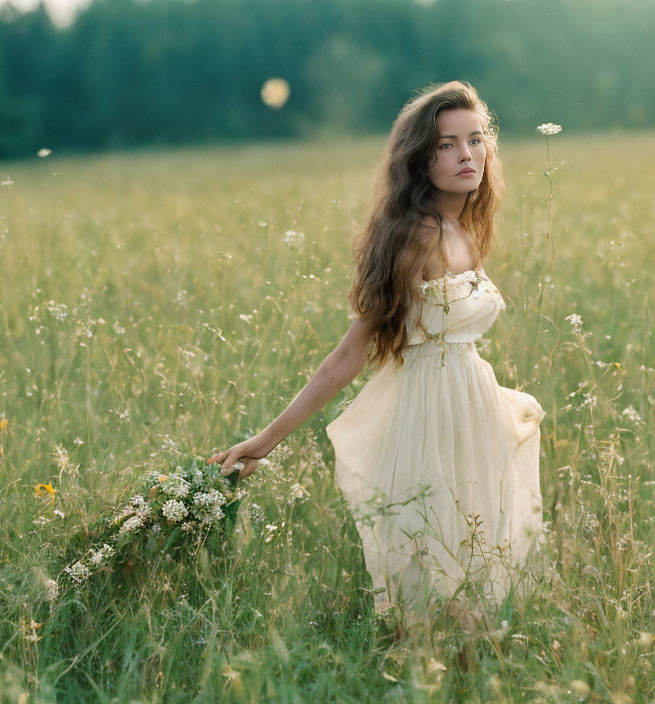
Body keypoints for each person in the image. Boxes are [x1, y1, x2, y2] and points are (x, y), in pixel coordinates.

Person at [208, 80, 545, 620]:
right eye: (446, 144)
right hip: (428, 417)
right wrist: (267, 439)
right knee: (435, 578)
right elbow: (349, 355)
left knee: (472, 569)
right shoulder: (415, 236)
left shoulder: (467, 228)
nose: (466, 155)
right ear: (419, 160)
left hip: (469, 410)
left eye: (475, 139)